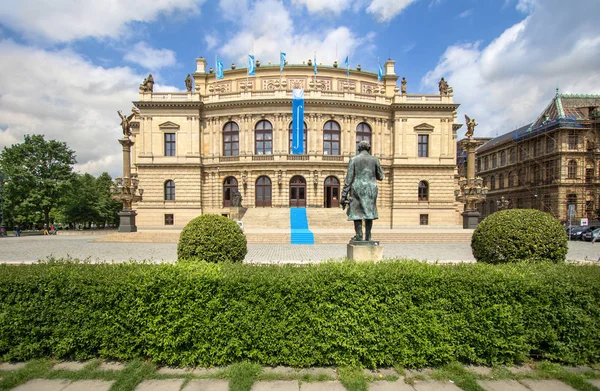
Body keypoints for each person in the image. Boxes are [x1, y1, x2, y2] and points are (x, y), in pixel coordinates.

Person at [340, 141, 384, 241]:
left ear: (359, 149)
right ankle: (368, 236)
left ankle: (359, 235)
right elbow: (380, 176)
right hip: (371, 189)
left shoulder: (354, 160)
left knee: (357, 213)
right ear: (369, 149)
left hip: (357, 188)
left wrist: (343, 195)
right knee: (369, 213)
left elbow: (349, 179)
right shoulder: (375, 160)